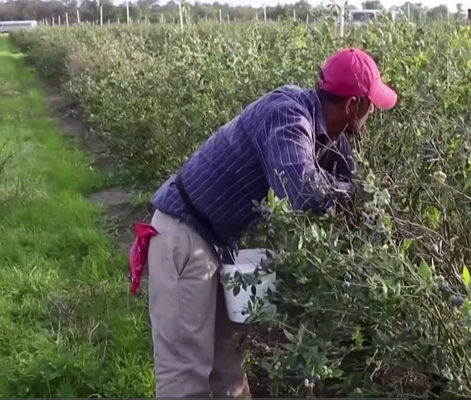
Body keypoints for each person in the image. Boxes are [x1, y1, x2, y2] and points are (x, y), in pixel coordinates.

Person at [128, 48, 397, 398]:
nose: (373, 111)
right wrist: (350, 195)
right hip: (184, 236)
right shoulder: (287, 116)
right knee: (185, 374)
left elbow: (355, 189)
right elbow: (300, 192)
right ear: (352, 106)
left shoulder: (331, 134)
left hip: (220, 241)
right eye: (369, 103)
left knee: (228, 366)